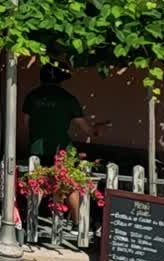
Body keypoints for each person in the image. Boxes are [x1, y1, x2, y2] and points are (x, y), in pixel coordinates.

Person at [21, 64, 104, 220]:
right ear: (60, 81)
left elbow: (25, 123)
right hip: (62, 149)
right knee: (70, 185)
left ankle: (29, 221)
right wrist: (98, 129)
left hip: (36, 148)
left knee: (37, 183)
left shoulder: (32, 97)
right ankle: (78, 223)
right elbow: (87, 130)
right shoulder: (68, 99)